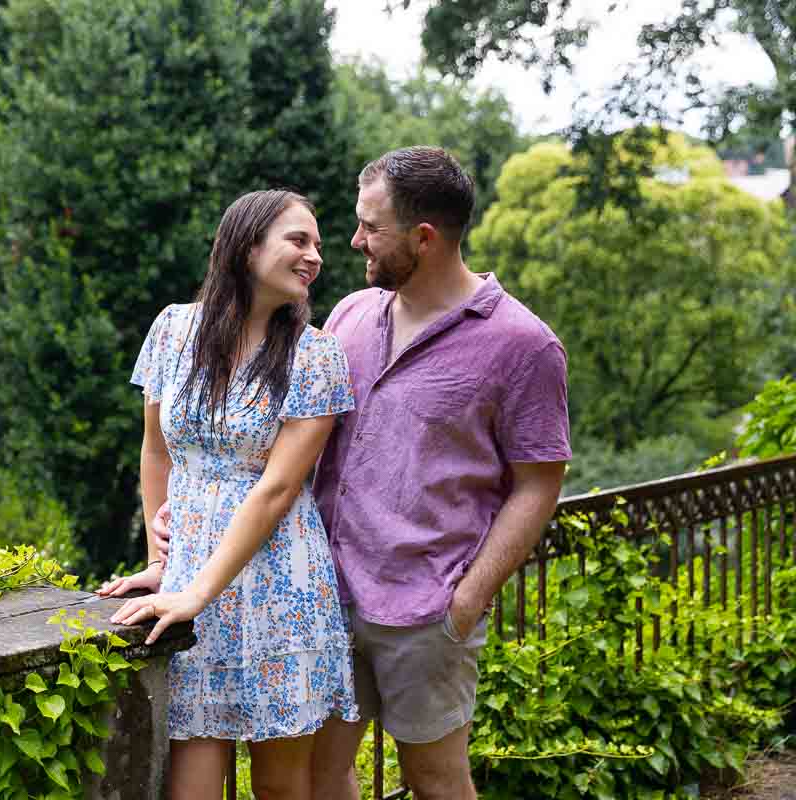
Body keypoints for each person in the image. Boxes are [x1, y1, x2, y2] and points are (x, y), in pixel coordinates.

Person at [154, 147, 571, 799]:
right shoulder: (350, 316)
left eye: (370, 227)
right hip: (323, 596)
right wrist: (186, 514)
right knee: (322, 779)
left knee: (434, 779)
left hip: (425, 607)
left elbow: (540, 483)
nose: (353, 242)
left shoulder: (523, 345)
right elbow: (275, 434)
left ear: (424, 237)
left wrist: (470, 596)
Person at [96, 189, 358, 800]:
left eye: (318, 244)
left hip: (281, 587)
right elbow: (157, 450)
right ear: (246, 246)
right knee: (190, 788)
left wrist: (195, 590)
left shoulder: (315, 355)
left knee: (281, 790)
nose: (315, 256)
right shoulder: (172, 330)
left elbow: (277, 489)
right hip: (190, 584)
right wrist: (163, 566)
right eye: (299, 240)